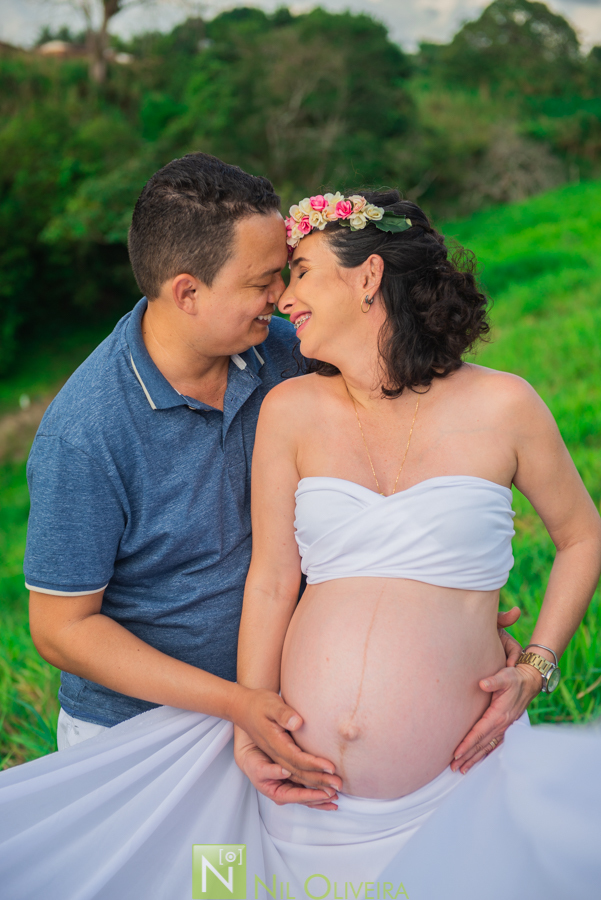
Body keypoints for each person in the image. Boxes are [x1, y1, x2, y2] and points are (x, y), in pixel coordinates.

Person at [1, 188, 600, 900]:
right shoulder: (90, 429)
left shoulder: (286, 352)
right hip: (165, 738)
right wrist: (243, 710)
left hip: (418, 768)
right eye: (265, 281)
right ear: (188, 293)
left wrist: (501, 646)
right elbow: (77, 625)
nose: (281, 299)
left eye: (295, 273)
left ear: (369, 277)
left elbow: (571, 533)